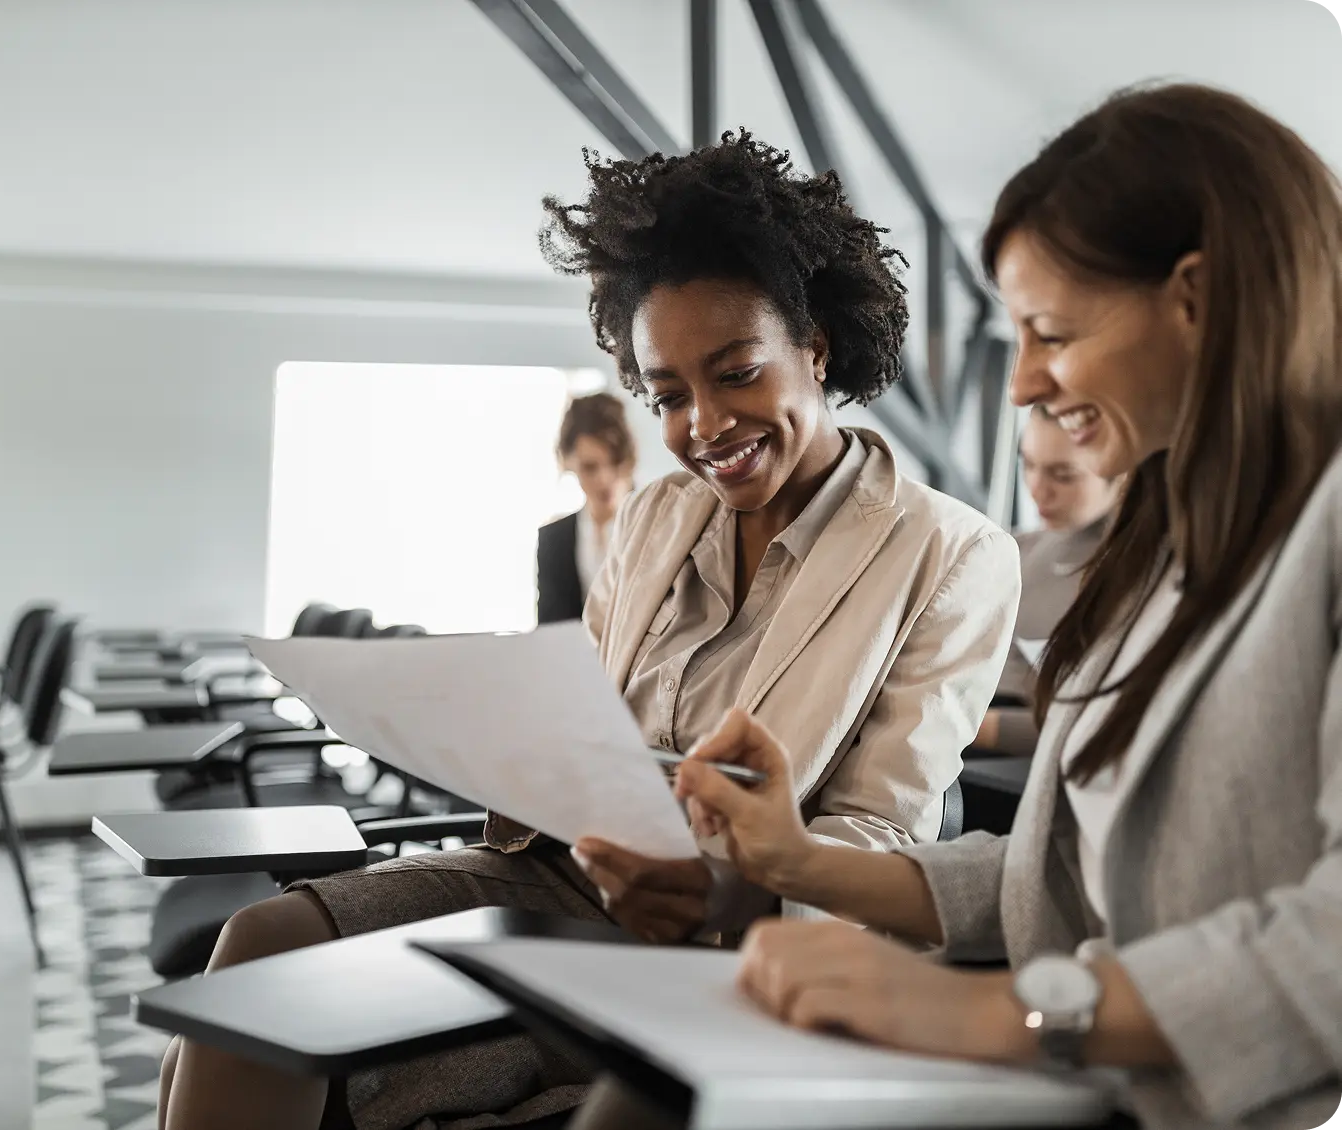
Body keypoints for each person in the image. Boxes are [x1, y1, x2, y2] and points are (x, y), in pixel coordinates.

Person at [158, 131, 1021, 1130]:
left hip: (744, 938)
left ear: (815, 348)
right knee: (257, 947)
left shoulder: (950, 552)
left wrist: (725, 889)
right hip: (565, 879)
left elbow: (885, 833)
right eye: (668, 396)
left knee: (298, 1021)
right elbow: (590, 735)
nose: (704, 424)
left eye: (737, 373)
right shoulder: (656, 517)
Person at [593, 83, 1342, 1130]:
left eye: (1049, 332)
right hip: (1107, 1069)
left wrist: (998, 1013)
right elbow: (1050, 880)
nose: (1022, 383)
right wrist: (797, 861)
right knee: (645, 1088)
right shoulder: (1156, 551)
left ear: (1196, 299)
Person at [973, 404, 1116, 755]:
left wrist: (963, 726)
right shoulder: (1011, 549)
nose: (1037, 489)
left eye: (1063, 475)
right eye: (1028, 464)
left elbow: (1105, 728)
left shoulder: (1140, 578)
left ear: (1123, 471)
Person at [537, 393, 636, 624]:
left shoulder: (659, 527)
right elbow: (549, 628)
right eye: (590, 467)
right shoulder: (553, 539)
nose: (604, 479)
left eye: (615, 463)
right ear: (569, 463)